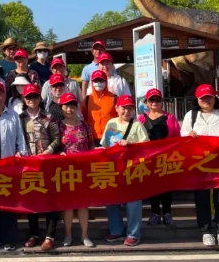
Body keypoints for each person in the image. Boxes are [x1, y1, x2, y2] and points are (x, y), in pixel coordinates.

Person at [181, 84, 219, 247]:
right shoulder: (191, 116)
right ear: (197, 100)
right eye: (202, 98)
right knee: (202, 199)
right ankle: (206, 231)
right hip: (199, 165)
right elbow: (182, 135)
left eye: (208, 97)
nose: (205, 100)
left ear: (214, 98)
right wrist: (189, 135)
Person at [0, 81, 28, 250]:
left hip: (8, 166)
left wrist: (21, 155)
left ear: (5, 95)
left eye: (0, 94)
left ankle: (9, 239)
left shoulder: (13, 116)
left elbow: (20, 140)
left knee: (9, 204)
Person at [101, 95, 150, 246]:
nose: (127, 111)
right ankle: (116, 230)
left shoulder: (137, 125)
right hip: (113, 169)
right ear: (116, 108)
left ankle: (133, 233)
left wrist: (131, 144)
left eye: (130, 108)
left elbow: (147, 147)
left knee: (133, 202)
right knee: (111, 200)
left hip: (132, 169)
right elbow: (105, 145)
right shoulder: (111, 123)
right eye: (124, 108)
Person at [19, 84, 62, 251]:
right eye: (28, 97)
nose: (31, 100)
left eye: (34, 96)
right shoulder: (20, 118)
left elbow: (57, 138)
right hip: (28, 165)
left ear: (40, 98)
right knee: (31, 199)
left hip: (47, 163)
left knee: (50, 200)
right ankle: (34, 234)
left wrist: (47, 151)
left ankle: (50, 236)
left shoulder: (49, 118)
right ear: (24, 99)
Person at [137, 88, 181, 226]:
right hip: (149, 158)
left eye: (157, 100)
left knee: (167, 187)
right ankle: (155, 213)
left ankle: (167, 213)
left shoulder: (170, 117)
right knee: (152, 187)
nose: (154, 102)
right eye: (151, 100)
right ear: (147, 102)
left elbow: (177, 139)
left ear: (162, 102)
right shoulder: (141, 118)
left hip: (167, 158)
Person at [58, 92, 96, 248]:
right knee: (68, 204)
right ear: (61, 108)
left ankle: (84, 235)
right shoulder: (57, 125)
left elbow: (91, 146)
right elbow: (55, 146)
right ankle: (68, 235)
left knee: (82, 204)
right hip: (65, 171)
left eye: (72, 106)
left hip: (83, 169)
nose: (69, 109)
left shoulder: (85, 125)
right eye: (66, 106)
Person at [83, 69, 117, 146]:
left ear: (106, 82)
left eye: (101, 80)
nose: (98, 83)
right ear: (92, 82)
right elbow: (83, 119)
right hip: (92, 139)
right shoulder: (87, 99)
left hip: (111, 138)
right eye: (96, 81)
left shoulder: (114, 98)